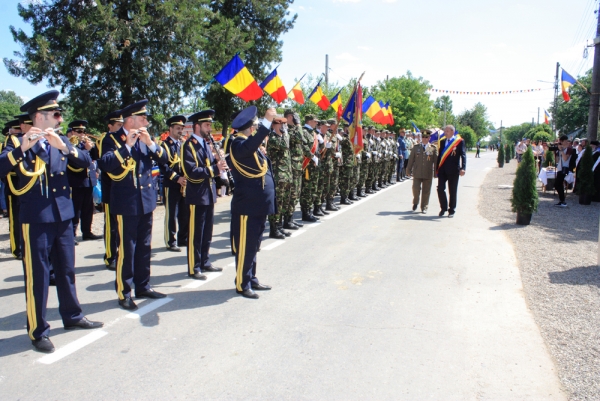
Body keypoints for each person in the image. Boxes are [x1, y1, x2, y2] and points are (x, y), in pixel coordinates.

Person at [0, 90, 103, 353]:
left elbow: (86, 163)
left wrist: (65, 147)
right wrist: (23, 146)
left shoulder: (59, 141)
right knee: (38, 275)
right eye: (55, 114)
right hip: (36, 217)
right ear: (39, 116)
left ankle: (72, 315)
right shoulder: (18, 142)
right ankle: (38, 330)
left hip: (63, 215)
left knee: (66, 270)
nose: (60, 119)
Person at [98, 99, 168, 310]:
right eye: (143, 118)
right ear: (131, 120)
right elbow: (106, 164)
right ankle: (124, 291)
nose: (147, 121)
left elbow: (166, 160)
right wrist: (127, 144)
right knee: (127, 250)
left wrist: (151, 144)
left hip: (146, 201)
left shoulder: (147, 139)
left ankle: (143, 285)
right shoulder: (112, 139)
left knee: (145, 247)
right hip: (126, 202)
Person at [224, 106, 276, 299]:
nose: (255, 127)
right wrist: (267, 123)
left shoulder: (249, 145)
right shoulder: (238, 144)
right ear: (249, 126)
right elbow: (250, 147)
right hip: (247, 205)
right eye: (254, 124)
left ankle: (251, 278)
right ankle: (242, 283)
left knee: (254, 244)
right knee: (246, 246)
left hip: (257, 204)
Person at [180, 109, 226, 279]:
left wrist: (218, 161)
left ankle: (205, 261)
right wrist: (215, 168)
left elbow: (210, 166)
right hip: (197, 195)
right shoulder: (188, 145)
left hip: (208, 193)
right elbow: (191, 171)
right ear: (197, 126)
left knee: (207, 231)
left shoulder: (206, 144)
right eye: (207, 125)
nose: (209, 128)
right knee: (196, 233)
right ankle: (194, 266)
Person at [66, 120, 102, 244]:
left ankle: (87, 232)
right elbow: (79, 160)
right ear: (72, 132)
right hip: (76, 181)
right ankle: (71, 235)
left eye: (84, 131)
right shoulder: (70, 145)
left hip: (88, 180)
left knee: (88, 209)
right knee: (75, 210)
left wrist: (93, 147)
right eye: (79, 131)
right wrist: (86, 150)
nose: (82, 134)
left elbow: (95, 158)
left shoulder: (84, 144)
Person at [159, 115, 189, 252]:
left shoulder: (182, 144)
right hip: (171, 184)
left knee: (184, 212)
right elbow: (164, 166)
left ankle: (183, 238)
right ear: (170, 129)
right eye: (178, 128)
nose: (180, 131)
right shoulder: (165, 145)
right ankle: (171, 241)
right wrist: (177, 178)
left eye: (182, 128)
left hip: (183, 183)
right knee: (172, 213)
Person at [98, 110, 123, 270]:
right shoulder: (107, 140)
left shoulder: (122, 138)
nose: (121, 127)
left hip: (123, 189)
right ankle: (109, 256)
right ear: (110, 126)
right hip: (111, 189)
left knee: (121, 226)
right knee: (111, 226)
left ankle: (120, 254)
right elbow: (106, 162)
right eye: (118, 125)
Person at [266, 116, 294, 239]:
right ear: (276, 125)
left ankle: (279, 226)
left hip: (286, 175)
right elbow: (285, 146)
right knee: (277, 203)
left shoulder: (282, 137)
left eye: (285, 125)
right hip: (278, 176)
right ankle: (273, 228)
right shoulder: (273, 139)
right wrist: (285, 134)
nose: (285, 127)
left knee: (283, 202)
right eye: (283, 125)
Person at [1, 119, 25, 259]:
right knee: (15, 219)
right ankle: (17, 248)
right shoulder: (9, 143)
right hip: (13, 184)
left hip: (26, 182)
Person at [436, 125, 466, 217]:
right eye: (445, 131)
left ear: (453, 132)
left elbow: (463, 155)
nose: (445, 133)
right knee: (440, 188)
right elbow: (439, 156)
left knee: (452, 191)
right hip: (442, 170)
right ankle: (443, 208)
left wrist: (463, 168)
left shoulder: (459, 141)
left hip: (453, 170)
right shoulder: (442, 141)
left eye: (447, 131)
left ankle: (451, 210)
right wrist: (436, 169)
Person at [406, 130, 438, 213]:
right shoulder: (416, 147)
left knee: (426, 191)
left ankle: (424, 206)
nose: (424, 139)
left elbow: (435, 161)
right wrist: (408, 169)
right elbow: (411, 159)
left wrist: (436, 173)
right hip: (417, 172)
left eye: (426, 137)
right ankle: (415, 201)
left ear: (429, 138)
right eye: (423, 137)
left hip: (428, 172)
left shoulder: (432, 148)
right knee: (415, 188)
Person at [553, 135, 576, 207]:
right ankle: (562, 200)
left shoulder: (569, 149)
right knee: (558, 185)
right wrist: (556, 151)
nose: (567, 142)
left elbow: (566, 158)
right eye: (565, 141)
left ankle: (562, 201)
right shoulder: (561, 149)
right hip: (560, 168)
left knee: (557, 184)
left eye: (567, 141)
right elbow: (557, 160)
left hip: (564, 168)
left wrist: (562, 150)